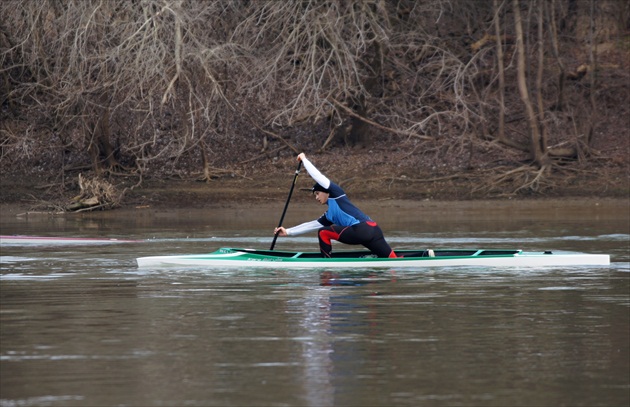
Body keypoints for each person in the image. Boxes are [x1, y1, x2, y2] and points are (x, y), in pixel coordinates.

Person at [274, 153, 397, 258]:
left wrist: (304, 160)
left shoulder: (336, 193)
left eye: (317, 193)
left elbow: (318, 176)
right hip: (374, 230)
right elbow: (311, 225)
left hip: (362, 230)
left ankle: (327, 265)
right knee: (393, 260)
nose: (316, 197)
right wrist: (288, 232)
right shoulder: (329, 216)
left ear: (326, 191)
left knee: (323, 232)